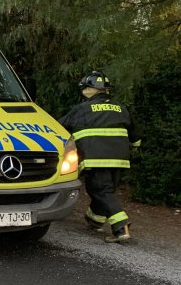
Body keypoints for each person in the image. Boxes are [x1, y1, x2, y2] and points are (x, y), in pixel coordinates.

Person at [59, 71, 141, 243]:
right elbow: (136, 138)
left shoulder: (82, 109)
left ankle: (121, 227)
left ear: (90, 90)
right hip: (120, 161)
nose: (83, 92)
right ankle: (94, 220)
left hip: (96, 160)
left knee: (100, 191)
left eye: (85, 89)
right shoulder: (121, 108)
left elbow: (59, 128)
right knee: (105, 191)